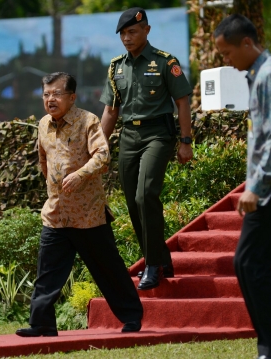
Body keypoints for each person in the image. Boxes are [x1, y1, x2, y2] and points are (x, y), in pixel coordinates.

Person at [15, 72, 143, 337]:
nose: (51, 99)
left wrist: (79, 174)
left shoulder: (88, 121)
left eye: (57, 94)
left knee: (109, 269)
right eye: (46, 94)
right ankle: (42, 324)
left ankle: (132, 318)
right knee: (47, 273)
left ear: (71, 97)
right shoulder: (42, 125)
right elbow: (43, 160)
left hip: (89, 216)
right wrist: (56, 185)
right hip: (56, 214)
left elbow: (103, 156)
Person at [214, 14, 271, 359]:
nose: (227, 62)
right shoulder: (264, 74)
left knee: (248, 263)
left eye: (227, 54)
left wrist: (257, 185)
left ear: (247, 43)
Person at [99, 7, 193, 290]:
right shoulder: (117, 66)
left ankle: (151, 265)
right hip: (129, 136)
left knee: (144, 196)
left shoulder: (166, 62)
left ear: (146, 31)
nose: (127, 38)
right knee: (132, 202)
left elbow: (183, 102)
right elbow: (110, 111)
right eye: (123, 34)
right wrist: (100, 145)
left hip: (158, 135)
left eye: (132, 32)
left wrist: (185, 142)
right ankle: (162, 259)